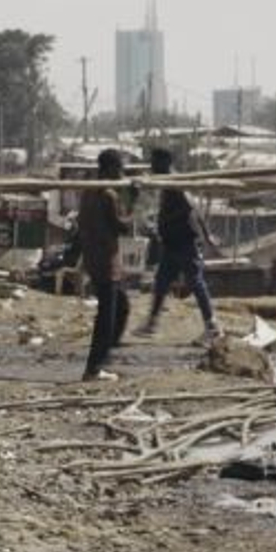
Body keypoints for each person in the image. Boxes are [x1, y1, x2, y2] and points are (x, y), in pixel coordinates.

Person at [136, 148, 218, 343]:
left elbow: (192, 209)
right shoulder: (166, 183)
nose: (152, 167)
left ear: (165, 162)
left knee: (195, 283)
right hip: (171, 244)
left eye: (155, 162)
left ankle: (212, 326)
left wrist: (206, 236)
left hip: (184, 243)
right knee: (161, 282)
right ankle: (152, 323)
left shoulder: (175, 182)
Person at [78, 149, 134, 381]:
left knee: (121, 307)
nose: (121, 173)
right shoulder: (108, 195)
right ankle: (94, 367)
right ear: (110, 169)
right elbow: (123, 227)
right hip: (106, 262)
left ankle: (105, 356)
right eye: (119, 169)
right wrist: (131, 200)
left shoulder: (88, 192)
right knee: (106, 317)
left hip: (93, 258)